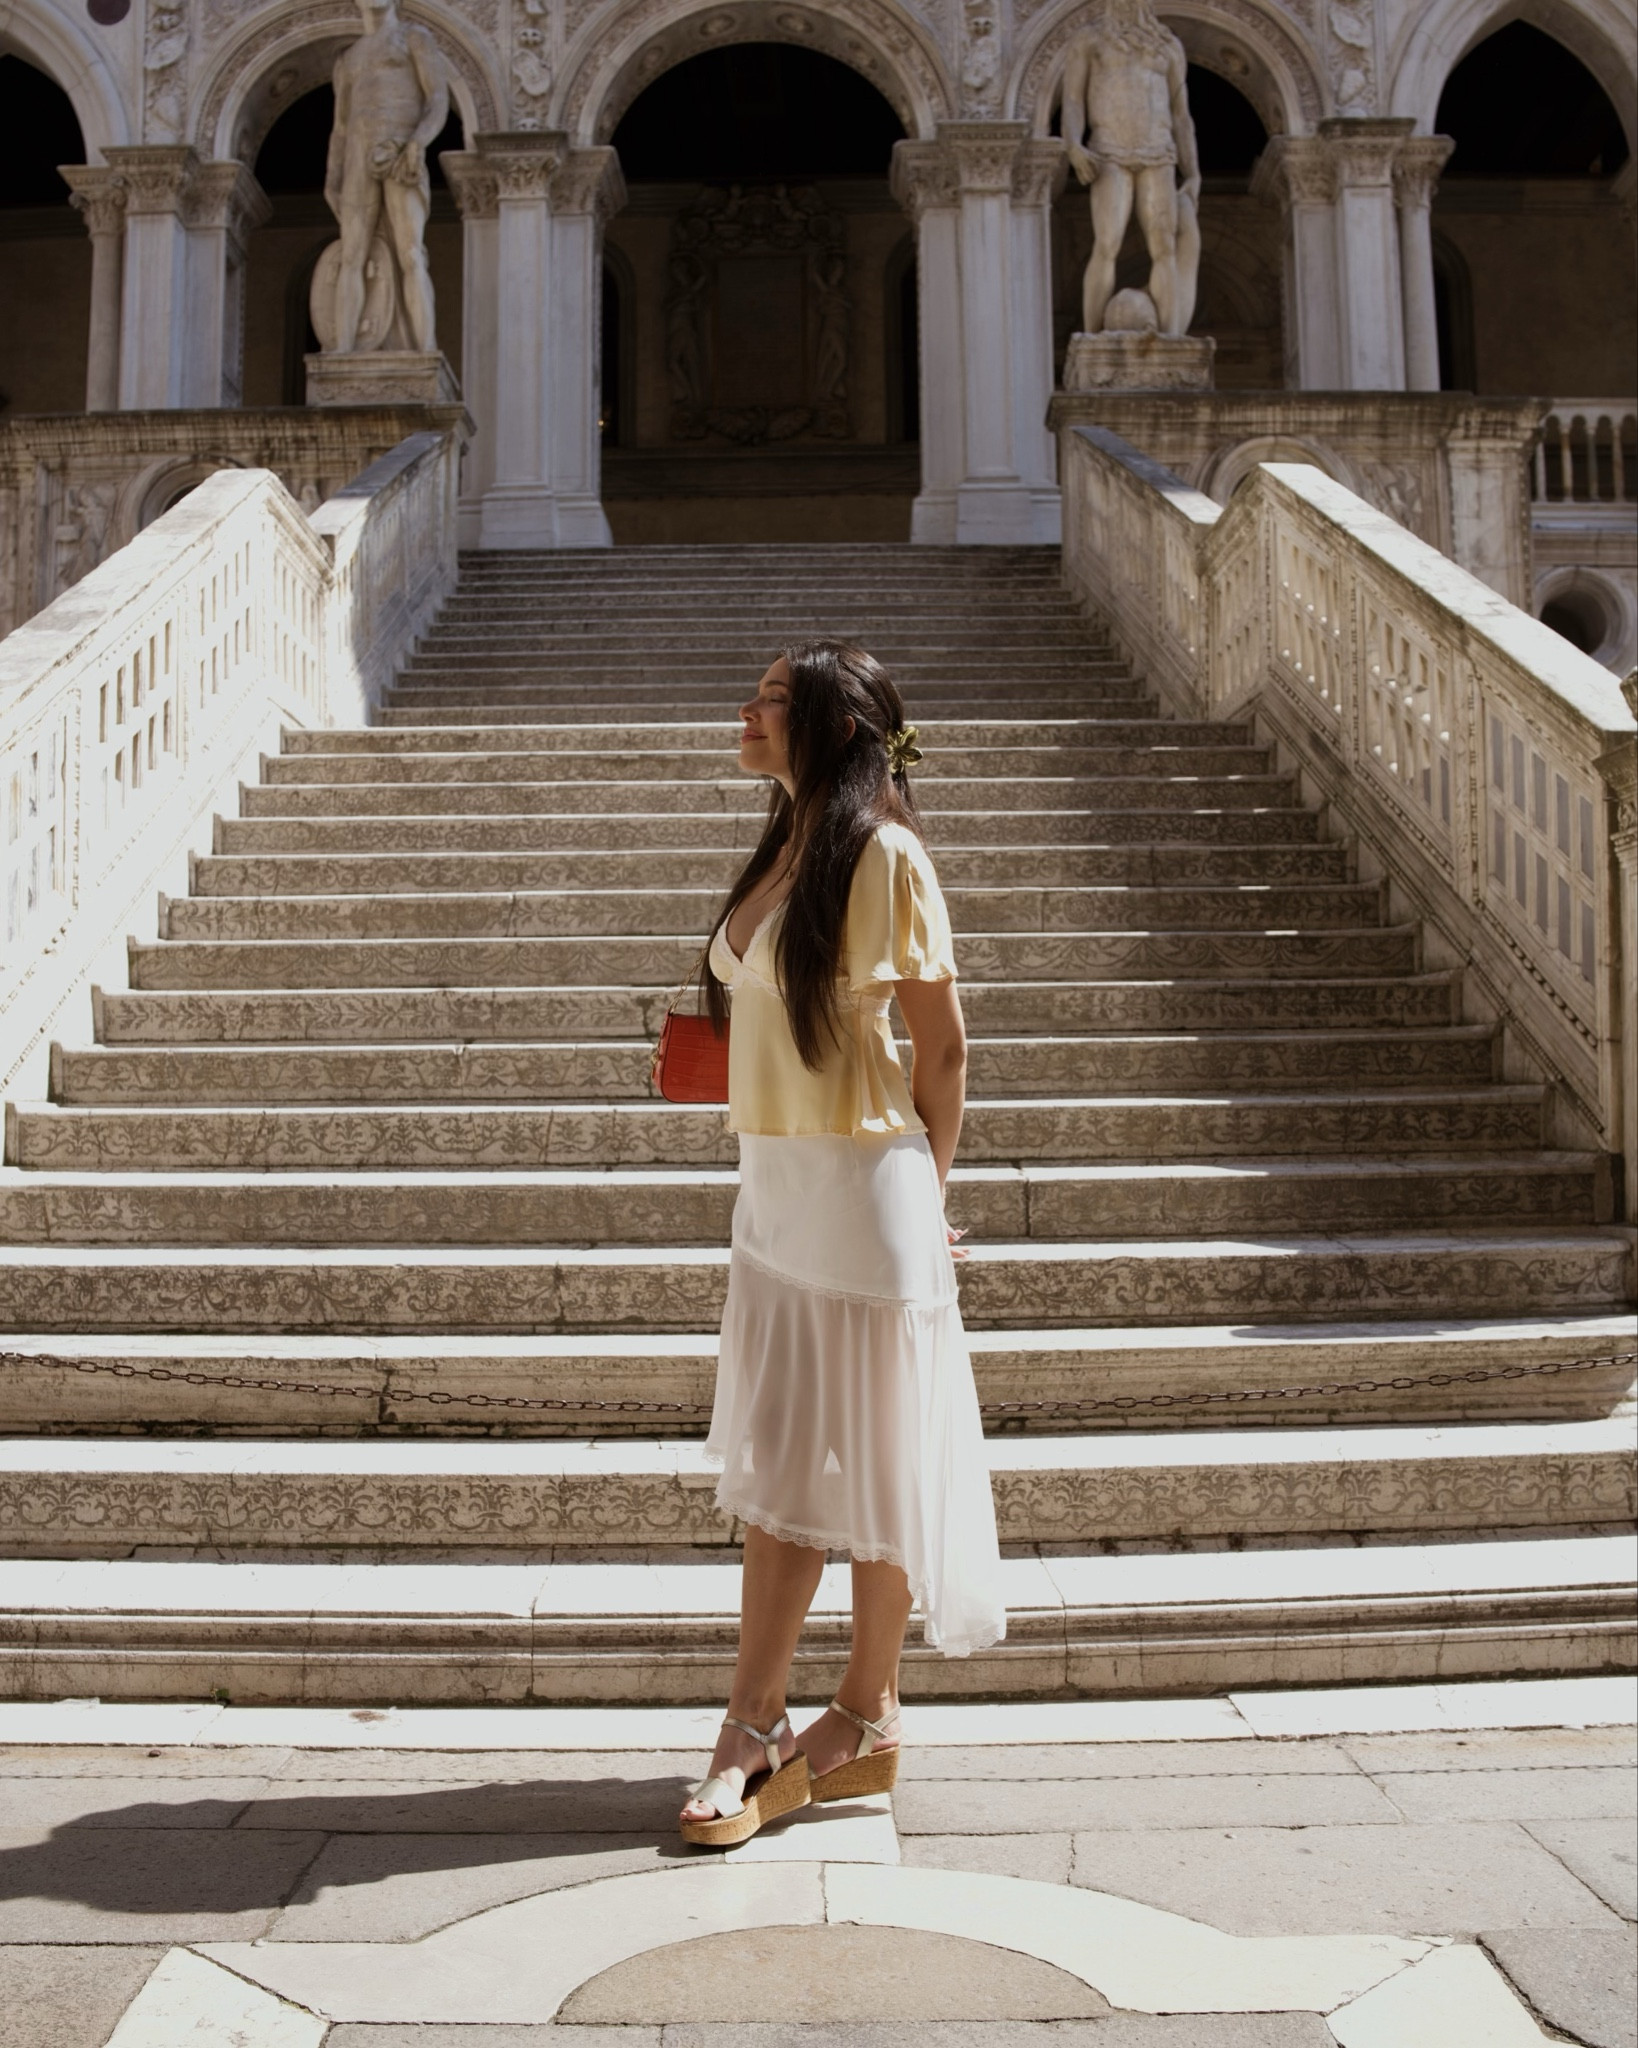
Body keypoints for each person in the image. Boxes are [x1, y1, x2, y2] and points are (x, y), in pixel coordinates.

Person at [678, 642, 1006, 1850]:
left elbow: (946, 1048)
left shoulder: (888, 855)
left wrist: (929, 1189)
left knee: (841, 1465)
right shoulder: (785, 843)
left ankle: (790, 1721)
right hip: (777, 1188)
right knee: (811, 1462)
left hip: (867, 1183)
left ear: (827, 722)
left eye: (768, 697)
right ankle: (828, 1718)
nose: (746, 709)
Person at [1058, 0, 1201, 337]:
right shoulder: (1090, 39)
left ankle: (1170, 339)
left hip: (1159, 152)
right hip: (1110, 152)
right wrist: (1073, 145)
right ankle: (1092, 340)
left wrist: (1192, 171)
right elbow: (1073, 100)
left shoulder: (1168, 44)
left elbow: (1181, 116)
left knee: (1163, 247)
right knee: (1107, 244)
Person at [324, 0, 448, 354]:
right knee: (352, 254)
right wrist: (333, 175)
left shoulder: (414, 37)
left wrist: (418, 143)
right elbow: (341, 126)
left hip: (400, 151)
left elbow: (437, 98)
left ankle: (426, 350)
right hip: (357, 157)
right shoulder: (348, 58)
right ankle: (343, 352)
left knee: (410, 252)